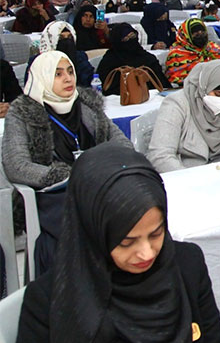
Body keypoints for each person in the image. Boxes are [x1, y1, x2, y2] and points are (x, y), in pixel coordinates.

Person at [15, 143, 220, 343]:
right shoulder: (49, 301)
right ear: (92, 230)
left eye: (156, 233)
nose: (146, 253)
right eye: (126, 242)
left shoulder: (185, 266)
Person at [3, 51, 132, 275]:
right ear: (42, 77)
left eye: (70, 72)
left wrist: (97, 169)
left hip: (97, 183)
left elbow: (123, 144)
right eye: (58, 74)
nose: (68, 79)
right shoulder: (23, 112)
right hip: (53, 193)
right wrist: (65, 176)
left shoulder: (86, 105)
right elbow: (16, 165)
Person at [148, 60, 220, 172]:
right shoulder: (177, 104)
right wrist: (194, 182)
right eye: (218, 94)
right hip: (189, 175)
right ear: (205, 86)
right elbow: (160, 156)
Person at [96, 23, 173, 95]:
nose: (131, 40)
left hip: (152, 99)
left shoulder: (147, 58)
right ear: (118, 42)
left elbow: (162, 84)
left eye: (132, 36)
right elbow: (105, 88)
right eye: (126, 39)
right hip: (121, 102)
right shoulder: (110, 61)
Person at [164, 19, 220, 87]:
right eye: (195, 32)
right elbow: (177, 79)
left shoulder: (211, 47)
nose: (200, 34)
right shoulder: (177, 53)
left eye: (202, 31)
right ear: (187, 35)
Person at [30, 21, 94, 88]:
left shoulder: (79, 57)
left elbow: (90, 80)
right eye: (61, 38)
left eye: (69, 37)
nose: (67, 42)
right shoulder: (38, 62)